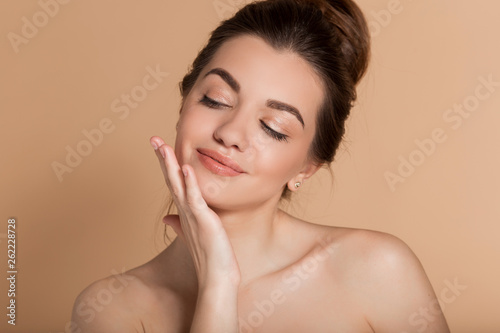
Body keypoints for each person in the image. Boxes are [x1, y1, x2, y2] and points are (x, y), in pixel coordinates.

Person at [71, 0, 450, 332]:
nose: (231, 133)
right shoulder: (110, 310)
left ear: (307, 168)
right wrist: (218, 285)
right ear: (184, 103)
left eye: (273, 128)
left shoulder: (377, 271)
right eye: (216, 99)